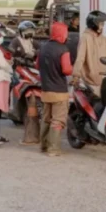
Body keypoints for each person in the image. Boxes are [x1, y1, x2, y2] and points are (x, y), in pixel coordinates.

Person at [37, 22, 73, 157]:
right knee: (58, 120)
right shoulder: (63, 49)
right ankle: (53, 149)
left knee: (46, 118)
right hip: (59, 91)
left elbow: (37, 65)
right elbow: (67, 70)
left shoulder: (43, 47)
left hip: (45, 90)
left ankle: (43, 146)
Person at [71, 10, 106, 97]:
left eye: (103, 24)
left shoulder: (104, 39)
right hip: (90, 82)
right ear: (94, 24)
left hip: (103, 81)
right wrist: (76, 75)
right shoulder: (85, 37)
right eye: (101, 24)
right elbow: (80, 58)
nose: (103, 26)